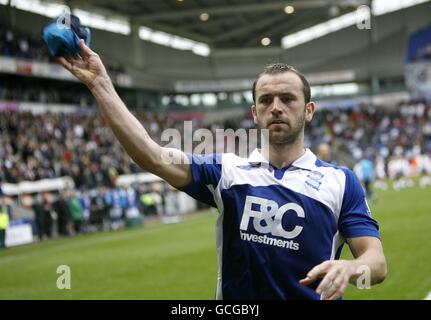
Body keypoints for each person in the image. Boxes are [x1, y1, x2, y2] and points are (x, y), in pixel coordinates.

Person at [58, 42, 387, 300]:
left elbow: (376, 263)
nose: (276, 107)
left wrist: (350, 268)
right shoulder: (227, 171)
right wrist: (100, 85)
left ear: (309, 110)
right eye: (266, 99)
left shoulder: (341, 181)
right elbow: (152, 156)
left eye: (288, 98)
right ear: (254, 113)